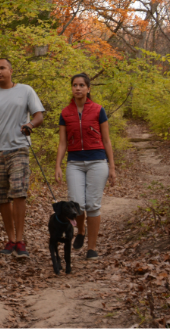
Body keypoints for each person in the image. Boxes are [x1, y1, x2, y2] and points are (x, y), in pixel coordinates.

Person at [0, 58, 45, 258]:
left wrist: (30, 125)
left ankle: (20, 240)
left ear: (11, 70)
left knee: (19, 192)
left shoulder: (25, 90)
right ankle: (11, 239)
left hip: (18, 148)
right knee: (1, 196)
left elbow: (39, 115)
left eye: (2, 68)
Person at [54, 73, 116, 260]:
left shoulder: (98, 110)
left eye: (82, 85)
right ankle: (80, 231)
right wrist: (58, 165)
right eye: (75, 85)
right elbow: (63, 142)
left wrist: (112, 167)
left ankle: (92, 248)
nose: (78, 88)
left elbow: (106, 140)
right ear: (71, 88)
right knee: (77, 203)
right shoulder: (65, 113)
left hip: (97, 161)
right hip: (74, 163)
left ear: (88, 89)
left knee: (93, 205)